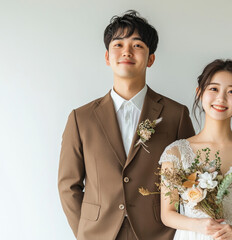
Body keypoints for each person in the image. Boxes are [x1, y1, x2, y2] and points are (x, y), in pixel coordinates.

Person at [58, 10, 194, 240]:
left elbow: (190, 180)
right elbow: (68, 186)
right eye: (118, 44)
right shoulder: (81, 118)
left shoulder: (175, 114)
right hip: (97, 234)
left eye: (137, 45)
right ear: (107, 57)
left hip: (157, 233)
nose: (127, 52)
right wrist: (84, 233)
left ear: (151, 58)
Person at [159, 59, 232, 240]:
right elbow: (167, 214)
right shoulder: (175, 153)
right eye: (214, 89)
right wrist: (198, 225)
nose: (221, 98)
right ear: (199, 93)